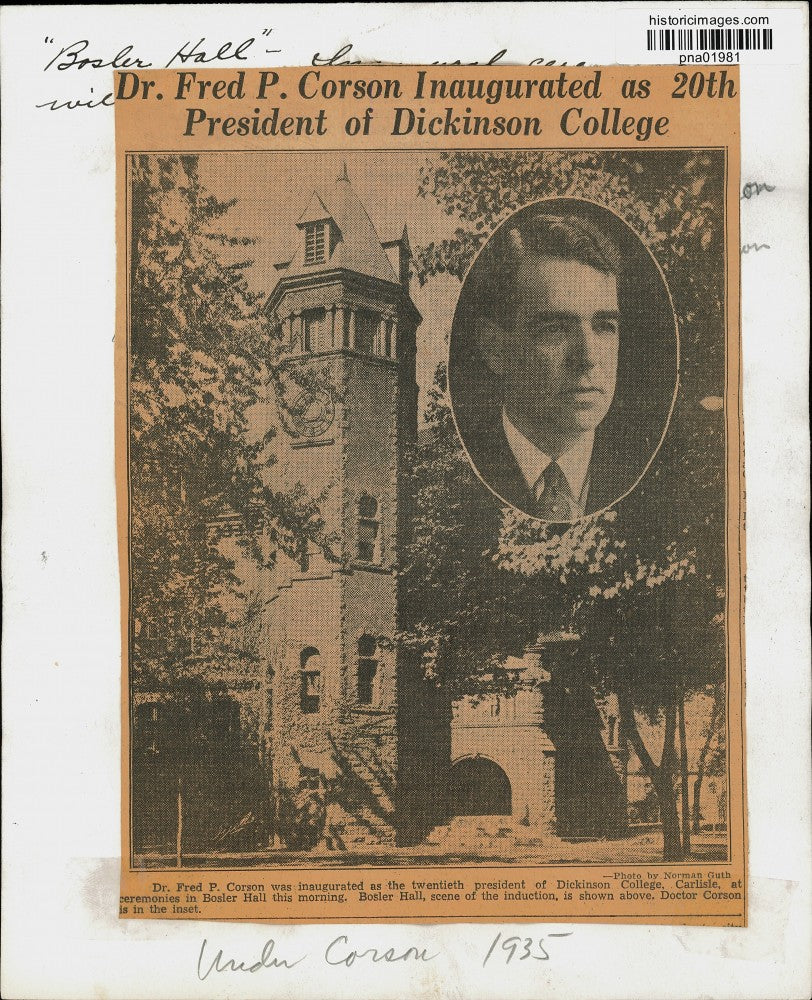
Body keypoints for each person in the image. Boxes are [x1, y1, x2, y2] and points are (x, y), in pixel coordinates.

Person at [458, 209, 640, 521]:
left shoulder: (647, 475)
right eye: (554, 329)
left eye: (604, 326)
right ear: (494, 348)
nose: (588, 357)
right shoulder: (460, 474)